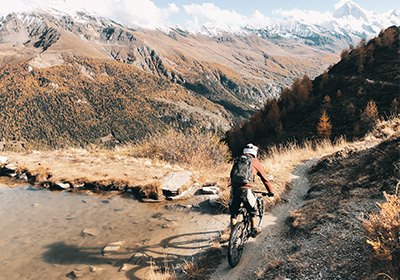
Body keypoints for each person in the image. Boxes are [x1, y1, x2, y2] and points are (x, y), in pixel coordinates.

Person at [229, 143, 274, 238]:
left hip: (234, 189)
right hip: (246, 190)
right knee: (252, 210)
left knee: (233, 213)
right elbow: (265, 179)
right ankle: (254, 229)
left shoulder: (238, 160)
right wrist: (270, 191)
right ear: (254, 153)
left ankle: (232, 236)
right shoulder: (255, 162)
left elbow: (232, 174)